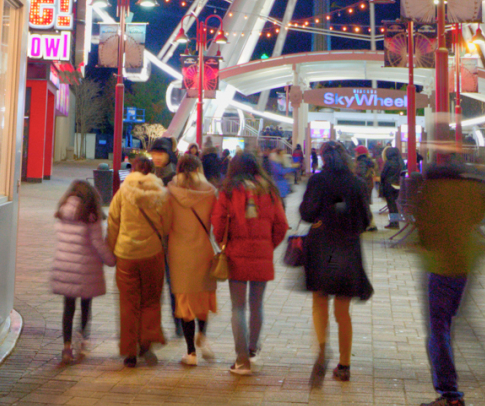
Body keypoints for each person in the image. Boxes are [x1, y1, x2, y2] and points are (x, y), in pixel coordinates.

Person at [414, 159, 485, 406]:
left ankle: (450, 397)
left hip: (440, 267)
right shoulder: (470, 190)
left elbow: (423, 232)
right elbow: (480, 215)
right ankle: (450, 395)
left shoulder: (431, 193)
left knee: (438, 331)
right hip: (464, 265)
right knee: (447, 326)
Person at [299, 144, 373, 382]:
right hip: (347, 250)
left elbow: (306, 214)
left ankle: (321, 348)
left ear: (323, 158)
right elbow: (365, 220)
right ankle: (344, 365)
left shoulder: (318, 181)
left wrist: (323, 217)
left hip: (323, 249)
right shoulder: (356, 183)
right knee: (343, 310)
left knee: (320, 300)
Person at [211, 152, 288, 377]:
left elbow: (218, 223)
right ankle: (253, 351)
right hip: (261, 255)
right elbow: (281, 225)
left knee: (238, 307)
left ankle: (241, 360)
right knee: (257, 305)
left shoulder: (227, 191)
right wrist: (267, 246)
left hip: (236, 254)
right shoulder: (270, 190)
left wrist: (224, 244)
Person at [107, 153, 168, 367]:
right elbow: (166, 222)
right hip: (152, 254)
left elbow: (113, 220)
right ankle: (146, 345)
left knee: (128, 303)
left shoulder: (123, 191)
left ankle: (129, 352)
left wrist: (112, 248)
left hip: (126, 254)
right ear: (151, 171)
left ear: (132, 169)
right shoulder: (160, 192)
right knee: (151, 301)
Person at [159, 153, 219, 366]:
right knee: (202, 297)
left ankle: (191, 353)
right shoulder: (211, 192)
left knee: (184, 302)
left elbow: (165, 225)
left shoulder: (169, 193)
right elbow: (217, 224)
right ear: (199, 170)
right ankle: (202, 335)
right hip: (203, 250)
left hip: (179, 253)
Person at [50, 179, 116, 363]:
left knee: (68, 308)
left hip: (65, 266)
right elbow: (97, 243)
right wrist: (111, 260)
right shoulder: (90, 214)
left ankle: (66, 347)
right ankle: (83, 340)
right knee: (86, 306)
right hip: (86, 269)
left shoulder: (63, 210)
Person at [380, 147, 405, 229]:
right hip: (397, 185)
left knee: (391, 206)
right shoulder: (399, 162)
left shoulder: (388, 162)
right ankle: (396, 223)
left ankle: (393, 224)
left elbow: (383, 175)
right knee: (394, 205)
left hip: (389, 186)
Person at [354, 151, 379, 231]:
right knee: (364, 204)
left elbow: (362, 174)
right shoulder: (368, 161)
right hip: (368, 184)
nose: (355, 153)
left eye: (356, 152)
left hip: (363, 186)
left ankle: (370, 224)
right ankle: (369, 224)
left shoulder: (361, 162)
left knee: (364, 204)